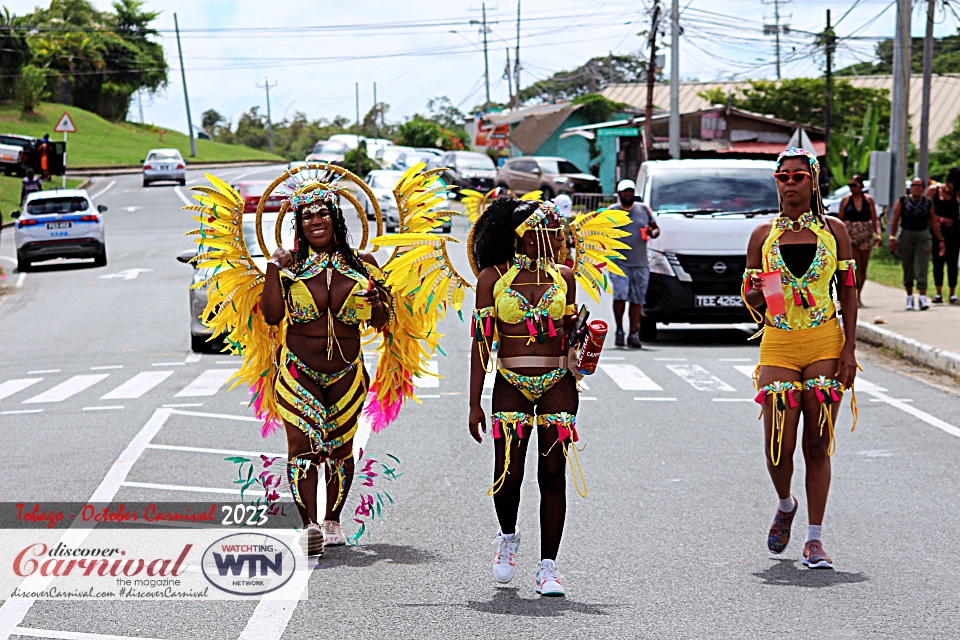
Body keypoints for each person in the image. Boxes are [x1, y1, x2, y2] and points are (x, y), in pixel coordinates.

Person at [189, 166, 465, 555]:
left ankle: (333, 520)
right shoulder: (289, 267)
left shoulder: (364, 264)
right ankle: (309, 526)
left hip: (347, 373)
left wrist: (376, 304)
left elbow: (383, 322)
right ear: (297, 224)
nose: (315, 220)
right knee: (300, 449)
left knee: (340, 450)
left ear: (336, 217)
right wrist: (273, 268)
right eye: (306, 215)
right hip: (296, 372)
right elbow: (270, 317)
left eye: (322, 213)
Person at [467, 198, 628, 597]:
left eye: (559, 231)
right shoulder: (492, 278)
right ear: (525, 236)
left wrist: (578, 333)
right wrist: (473, 403)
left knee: (553, 473)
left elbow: (569, 333)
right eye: (551, 231)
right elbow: (481, 344)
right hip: (510, 381)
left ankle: (549, 567)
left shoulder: (565, 277)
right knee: (509, 471)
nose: (559, 238)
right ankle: (507, 539)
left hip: (559, 379)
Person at [742, 147, 860, 570]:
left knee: (818, 441)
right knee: (779, 443)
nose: (790, 183)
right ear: (776, 182)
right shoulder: (762, 235)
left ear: (813, 181)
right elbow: (752, 298)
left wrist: (849, 348)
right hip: (779, 341)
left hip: (825, 341)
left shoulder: (834, 231)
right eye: (783, 176)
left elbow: (848, 290)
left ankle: (815, 539)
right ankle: (785, 503)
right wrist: (760, 289)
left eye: (798, 176)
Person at [609, 179, 659, 348]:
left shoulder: (643, 209)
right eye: (624, 191)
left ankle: (633, 333)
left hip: (640, 263)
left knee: (637, 300)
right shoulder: (611, 211)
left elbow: (655, 227)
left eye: (630, 190)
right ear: (619, 193)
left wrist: (653, 232)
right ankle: (620, 330)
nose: (627, 193)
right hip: (619, 263)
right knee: (620, 295)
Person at [889, 177, 945, 311]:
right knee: (908, 267)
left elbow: (933, 221)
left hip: (923, 236)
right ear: (911, 187)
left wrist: (940, 240)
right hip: (906, 235)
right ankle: (909, 297)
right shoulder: (903, 201)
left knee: (922, 266)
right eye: (914, 185)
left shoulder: (928, 202)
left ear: (923, 188)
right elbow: (896, 219)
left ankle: (922, 297)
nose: (916, 188)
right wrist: (892, 237)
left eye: (919, 185)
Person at [837, 175, 881, 306]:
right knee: (854, 266)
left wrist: (878, 234)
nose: (852, 188)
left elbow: (874, 219)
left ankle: (858, 295)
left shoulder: (868, 200)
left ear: (861, 186)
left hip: (865, 233)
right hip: (851, 234)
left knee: (863, 268)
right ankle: (852, 296)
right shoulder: (845, 200)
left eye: (854, 185)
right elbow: (840, 219)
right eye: (850, 186)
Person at [926, 168, 960, 304]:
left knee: (953, 262)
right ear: (948, 182)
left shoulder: (957, 193)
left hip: (955, 231)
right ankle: (938, 292)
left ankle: (952, 293)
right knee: (938, 262)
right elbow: (926, 210)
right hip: (936, 230)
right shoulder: (933, 191)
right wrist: (941, 220)